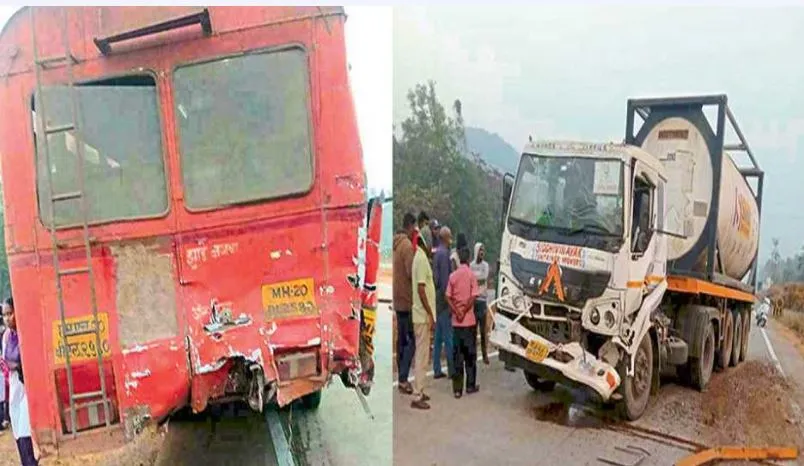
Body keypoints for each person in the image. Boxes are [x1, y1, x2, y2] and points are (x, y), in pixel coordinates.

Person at [2, 298, 38, 465]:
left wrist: (14, 364)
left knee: (26, 437)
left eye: (10, 313)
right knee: (18, 435)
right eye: (4, 315)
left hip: (27, 390)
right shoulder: (7, 336)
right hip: (15, 389)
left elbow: (24, 361)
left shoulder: (26, 332)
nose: (7, 318)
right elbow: (8, 362)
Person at [446, 246, 480, 397]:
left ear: (459, 258)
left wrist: (456, 311)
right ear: (469, 257)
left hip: (456, 323)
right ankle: (470, 386)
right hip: (469, 322)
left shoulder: (453, 276)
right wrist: (465, 311)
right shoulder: (471, 275)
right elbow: (473, 296)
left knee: (457, 356)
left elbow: (447, 296)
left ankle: (457, 389)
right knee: (470, 356)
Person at [411, 231, 436, 410]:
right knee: (421, 356)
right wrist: (430, 313)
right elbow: (421, 289)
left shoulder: (420, 258)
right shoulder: (421, 260)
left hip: (421, 315)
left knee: (423, 355)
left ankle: (420, 389)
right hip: (422, 316)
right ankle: (417, 394)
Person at [393, 213, 417, 395]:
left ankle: (401, 376)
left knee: (401, 340)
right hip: (408, 301)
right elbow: (411, 273)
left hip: (397, 299)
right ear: (410, 226)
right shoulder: (407, 247)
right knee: (412, 341)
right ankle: (403, 377)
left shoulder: (395, 245)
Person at [432, 226, 455, 379]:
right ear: (446, 238)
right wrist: (450, 299)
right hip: (444, 297)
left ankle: (436, 368)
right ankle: (452, 369)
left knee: (438, 336)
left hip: (437, 295)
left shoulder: (436, 254)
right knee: (448, 336)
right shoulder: (445, 254)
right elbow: (446, 280)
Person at [471, 242, 491, 364]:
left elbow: (483, 278)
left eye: (483, 251)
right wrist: (476, 281)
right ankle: (473, 354)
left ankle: (485, 354)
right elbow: (472, 280)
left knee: (483, 330)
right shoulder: (471, 265)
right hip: (473, 301)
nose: (482, 253)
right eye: (480, 250)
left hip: (482, 300)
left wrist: (475, 280)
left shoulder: (486, 265)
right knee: (473, 330)